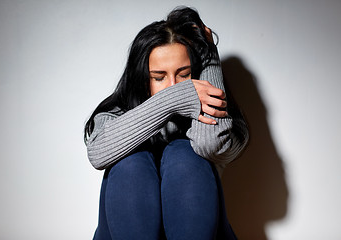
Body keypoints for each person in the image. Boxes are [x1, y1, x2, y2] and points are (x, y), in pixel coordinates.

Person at [84, 6, 249, 240]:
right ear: (143, 78)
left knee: (184, 153)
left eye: (184, 74)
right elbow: (98, 154)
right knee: (131, 161)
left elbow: (211, 144)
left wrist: (209, 54)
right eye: (159, 77)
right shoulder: (117, 112)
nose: (174, 86)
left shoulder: (221, 121)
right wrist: (172, 100)